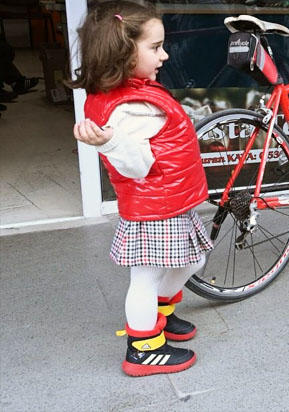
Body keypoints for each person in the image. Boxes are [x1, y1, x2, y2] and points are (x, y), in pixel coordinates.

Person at [69, 1, 213, 377]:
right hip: (155, 207)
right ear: (123, 53)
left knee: (192, 260)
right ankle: (144, 349)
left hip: (168, 199)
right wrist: (111, 142)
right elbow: (136, 166)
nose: (164, 55)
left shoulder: (132, 91)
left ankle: (161, 314)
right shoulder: (129, 108)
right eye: (155, 47)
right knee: (146, 277)